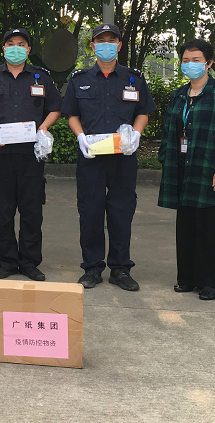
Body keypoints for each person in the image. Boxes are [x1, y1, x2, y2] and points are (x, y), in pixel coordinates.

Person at [61, 23, 156, 291]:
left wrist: (136, 134)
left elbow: (143, 112)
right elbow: (72, 114)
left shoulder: (134, 78)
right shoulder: (79, 79)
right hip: (91, 157)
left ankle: (120, 268)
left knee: (121, 212)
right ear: (93, 46)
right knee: (90, 211)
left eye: (111, 40)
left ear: (119, 45)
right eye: (101, 41)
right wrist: (80, 137)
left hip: (123, 157)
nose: (106, 45)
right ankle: (92, 268)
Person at [0, 28, 62, 281]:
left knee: (32, 210)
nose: (16, 48)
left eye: (21, 44)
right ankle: (7, 261)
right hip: (2, 153)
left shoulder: (41, 77)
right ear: (3, 48)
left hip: (31, 155)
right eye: (10, 43)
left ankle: (29, 262)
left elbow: (55, 108)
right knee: (3, 209)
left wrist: (43, 128)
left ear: (28, 49)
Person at [158, 38, 215, 300]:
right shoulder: (179, 94)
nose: (190, 64)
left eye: (196, 60)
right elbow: (168, 130)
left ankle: (212, 282)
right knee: (187, 226)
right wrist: (165, 159)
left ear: (208, 63)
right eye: (185, 60)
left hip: (210, 168)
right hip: (182, 169)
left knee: (211, 227)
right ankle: (187, 278)